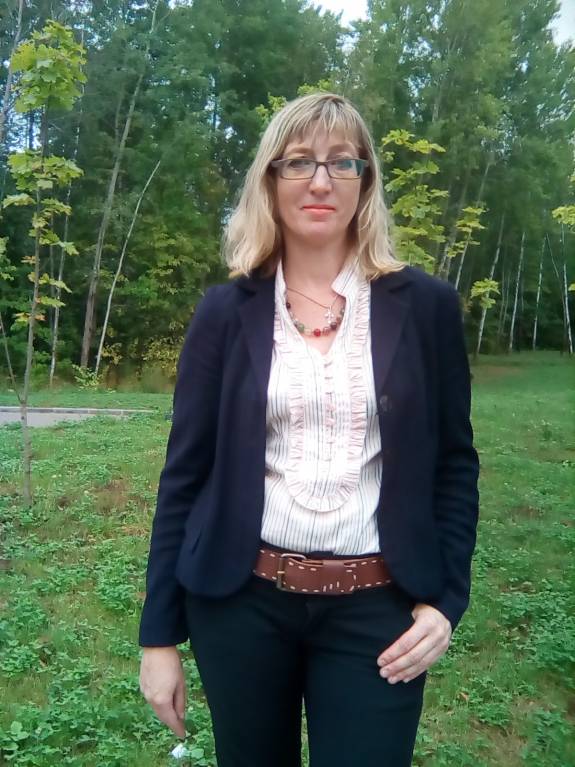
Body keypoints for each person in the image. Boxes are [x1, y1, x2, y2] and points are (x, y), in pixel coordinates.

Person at [138, 92, 480, 767]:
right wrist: (158, 637)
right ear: (269, 180)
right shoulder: (224, 311)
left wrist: (444, 602)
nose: (320, 181)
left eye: (342, 162)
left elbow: (453, 464)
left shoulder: (427, 307)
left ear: (364, 182)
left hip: (378, 610)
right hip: (240, 604)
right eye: (298, 162)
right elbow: (185, 475)